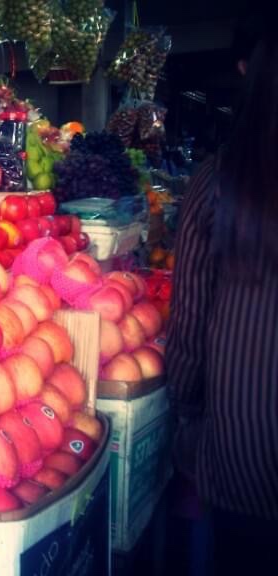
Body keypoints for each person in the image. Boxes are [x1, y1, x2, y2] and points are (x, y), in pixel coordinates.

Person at [165, 19, 278, 574]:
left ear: (249, 78)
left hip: (242, 445)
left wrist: (185, 412)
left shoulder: (218, 182)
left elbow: (188, 322)